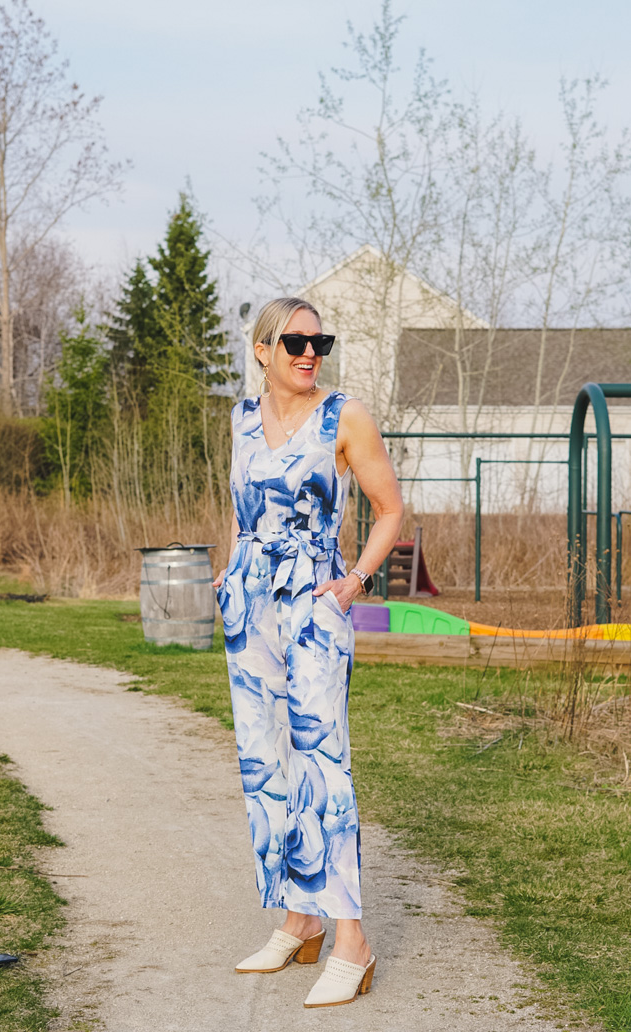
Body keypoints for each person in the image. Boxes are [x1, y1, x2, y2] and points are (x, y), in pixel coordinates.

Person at [213, 296, 403, 1008]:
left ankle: (351, 939)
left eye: (319, 340)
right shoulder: (239, 418)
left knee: (322, 761)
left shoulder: (343, 416)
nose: (309, 352)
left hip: (314, 602)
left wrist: (352, 584)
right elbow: (238, 508)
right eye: (294, 341)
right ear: (262, 349)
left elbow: (391, 508)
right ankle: (298, 919)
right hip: (251, 606)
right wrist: (231, 572)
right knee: (266, 760)